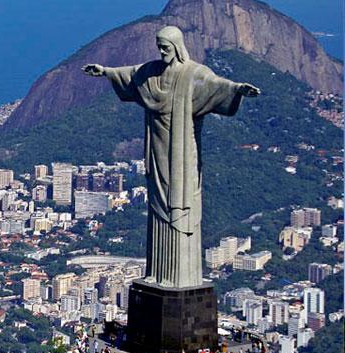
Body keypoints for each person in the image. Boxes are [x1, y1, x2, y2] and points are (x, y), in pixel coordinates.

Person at [82, 26, 259, 288]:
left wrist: (237, 89)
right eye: (159, 46)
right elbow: (130, 74)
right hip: (157, 150)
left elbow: (216, 85)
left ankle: (182, 276)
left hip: (182, 153)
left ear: (177, 46)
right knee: (158, 208)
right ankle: (158, 274)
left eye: (166, 47)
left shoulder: (192, 74)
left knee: (181, 203)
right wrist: (105, 72)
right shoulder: (151, 72)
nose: (162, 51)